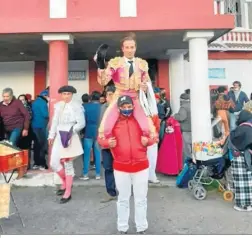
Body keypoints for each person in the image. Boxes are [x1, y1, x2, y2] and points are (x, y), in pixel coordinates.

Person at [98, 95, 158, 234]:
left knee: (141, 199)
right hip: (121, 167)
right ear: (118, 108)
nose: (126, 109)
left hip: (141, 166)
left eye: (129, 107)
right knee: (123, 199)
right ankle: (122, 227)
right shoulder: (111, 123)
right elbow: (100, 139)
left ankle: (141, 227)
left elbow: (154, 137)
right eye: (123, 107)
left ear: (133, 106)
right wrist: (107, 143)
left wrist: (147, 141)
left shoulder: (141, 121)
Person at [95, 33, 156, 139]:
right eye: (127, 47)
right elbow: (103, 82)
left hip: (136, 97)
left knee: (148, 129)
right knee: (105, 128)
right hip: (119, 96)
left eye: (132, 47)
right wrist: (101, 66)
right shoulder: (116, 63)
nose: (129, 50)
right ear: (122, 49)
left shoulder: (142, 64)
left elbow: (147, 83)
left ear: (135, 48)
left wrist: (145, 87)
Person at [48, 85, 85, 204]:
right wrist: (51, 135)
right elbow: (54, 121)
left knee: (68, 163)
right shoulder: (58, 105)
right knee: (53, 162)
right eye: (64, 94)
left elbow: (81, 123)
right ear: (61, 95)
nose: (66, 96)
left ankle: (67, 191)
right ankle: (65, 182)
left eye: (68, 94)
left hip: (70, 135)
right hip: (59, 135)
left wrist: (71, 131)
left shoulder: (77, 106)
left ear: (72, 94)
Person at [229, 109, 252, 212]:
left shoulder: (239, 129)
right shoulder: (250, 128)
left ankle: (241, 205)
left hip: (239, 158)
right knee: (249, 181)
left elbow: (232, 142)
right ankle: (250, 204)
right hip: (249, 158)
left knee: (240, 182)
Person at [100, 85, 117, 203]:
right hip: (106, 144)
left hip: (119, 143)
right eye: (107, 95)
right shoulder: (103, 108)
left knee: (122, 168)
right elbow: (100, 125)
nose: (109, 97)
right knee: (108, 168)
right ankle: (111, 192)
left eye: (111, 94)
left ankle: (125, 190)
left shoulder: (122, 107)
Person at [81, 91, 102, 180]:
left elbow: (83, 121)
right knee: (97, 153)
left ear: (91, 98)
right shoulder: (102, 107)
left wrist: (82, 132)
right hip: (99, 131)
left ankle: (85, 174)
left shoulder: (86, 106)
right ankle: (98, 174)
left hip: (88, 131)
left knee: (86, 154)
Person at [31, 89, 49, 170]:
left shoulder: (35, 102)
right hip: (41, 126)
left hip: (34, 126)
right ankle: (42, 163)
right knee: (42, 145)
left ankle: (36, 163)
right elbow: (45, 114)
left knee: (36, 145)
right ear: (45, 96)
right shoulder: (43, 102)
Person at [174, 93, 192, 161]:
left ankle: (186, 163)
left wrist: (175, 116)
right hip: (192, 129)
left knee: (186, 149)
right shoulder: (192, 105)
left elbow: (182, 117)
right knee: (192, 148)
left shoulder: (183, 107)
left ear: (181, 99)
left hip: (186, 130)